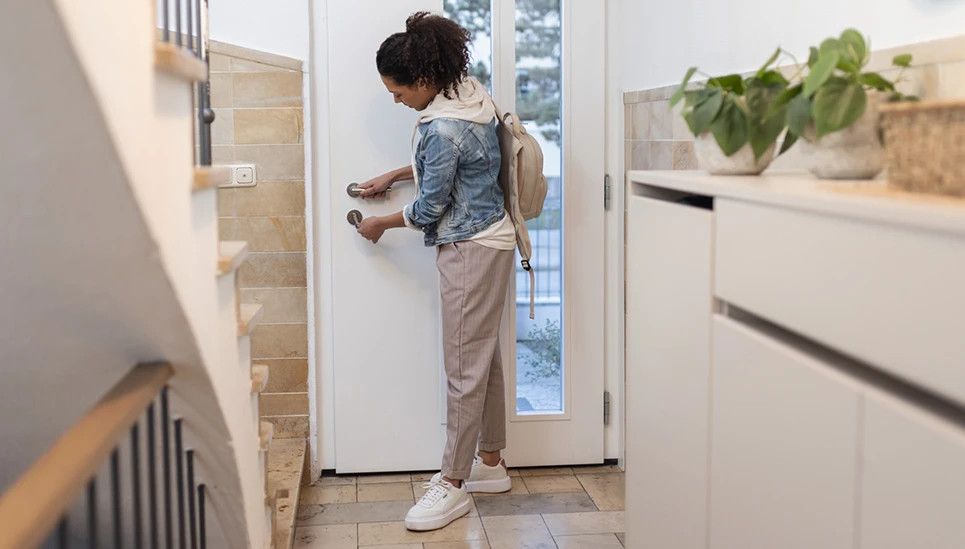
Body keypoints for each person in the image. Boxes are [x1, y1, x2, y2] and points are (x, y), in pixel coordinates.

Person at [355, 11, 515, 532]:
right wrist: (398, 173)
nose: (397, 101)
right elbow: (463, 165)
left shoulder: (441, 129)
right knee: (480, 357)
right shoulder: (469, 95)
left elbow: (428, 208)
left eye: (399, 93)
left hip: (470, 248)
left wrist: (380, 222)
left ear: (423, 80)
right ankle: (489, 463)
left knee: (463, 369)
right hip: (493, 238)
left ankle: (452, 484)